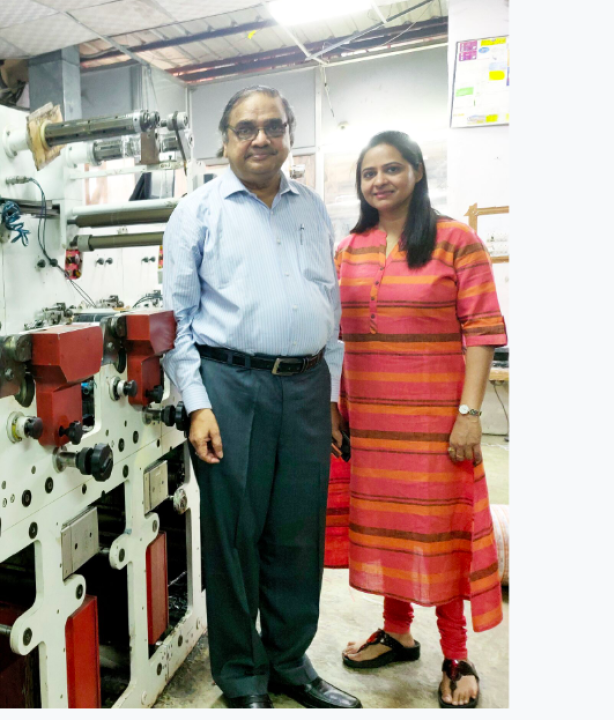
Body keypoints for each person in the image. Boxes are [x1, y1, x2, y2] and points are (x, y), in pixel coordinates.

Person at [162, 86, 359, 710]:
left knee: (298, 535)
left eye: (274, 125)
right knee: (234, 537)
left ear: (289, 134)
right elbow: (176, 317)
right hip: (229, 385)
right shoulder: (198, 211)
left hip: (305, 387)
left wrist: (328, 389)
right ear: (224, 138)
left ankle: (290, 664)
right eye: (246, 128)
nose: (261, 138)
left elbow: (328, 300)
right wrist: (197, 404)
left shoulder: (313, 208)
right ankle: (242, 677)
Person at [333, 131, 505, 709]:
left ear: (417, 172)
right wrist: (338, 406)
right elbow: (336, 335)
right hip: (371, 423)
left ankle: (455, 653)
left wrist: (470, 413)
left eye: (392, 169)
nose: (379, 181)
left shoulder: (457, 240)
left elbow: (482, 332)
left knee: (439, 534)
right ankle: (397, 631)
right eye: (369, 173)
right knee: (387, 529)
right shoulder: (350, 246)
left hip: (435, 422)